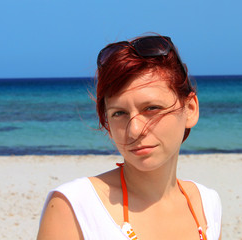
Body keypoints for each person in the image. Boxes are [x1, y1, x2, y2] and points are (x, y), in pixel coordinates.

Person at [37, 35, 222, 240]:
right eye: (119, 113)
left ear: (190, 109)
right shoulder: (75, 207)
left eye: (151, 108)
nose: (134, 130)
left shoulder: (206, 204)